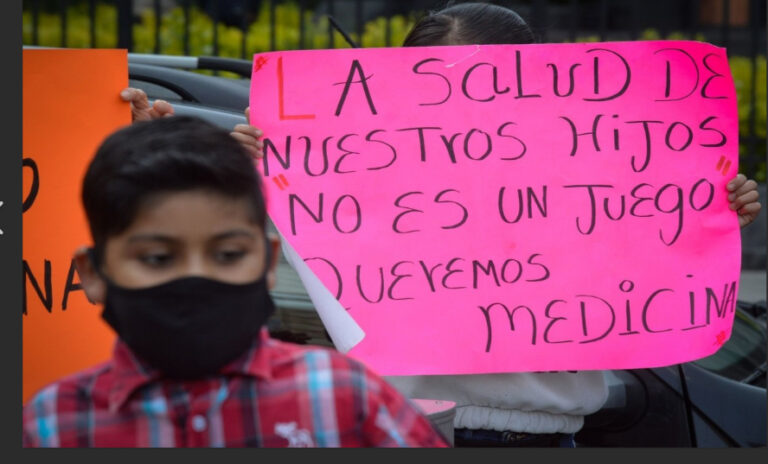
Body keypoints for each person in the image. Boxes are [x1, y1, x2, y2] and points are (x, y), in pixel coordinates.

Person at [119, 1, 762, 447]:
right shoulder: (325, 176)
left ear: (538, 85)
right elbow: (198, 234)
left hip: (553, 437)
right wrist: (158, 145)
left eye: (490, 85)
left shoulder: (602, 180)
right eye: (444, 90)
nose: (470, 110)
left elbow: (648, 265)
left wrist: (705, 210)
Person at [21, 116, 449, 448]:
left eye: (227, 255)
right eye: (156, 258)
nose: (196, 277)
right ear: (93, 274)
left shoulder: (347, 398)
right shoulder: (51, 425)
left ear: (267, 261)